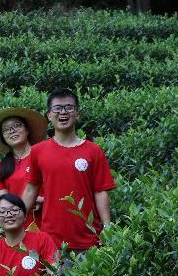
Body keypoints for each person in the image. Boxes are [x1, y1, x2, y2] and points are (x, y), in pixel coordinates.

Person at [21, 88, 116, 252]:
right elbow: (31, 190)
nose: (63, 112)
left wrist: (107, 227)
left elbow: (101, 192)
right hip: (51, 240)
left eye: (69, 107)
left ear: (77, 114)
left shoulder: (93, 151)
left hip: (89, 239)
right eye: (57, 108)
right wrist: (17, 221)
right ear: (49, 115)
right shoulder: (38, 151)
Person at [0, 106, 48, 229]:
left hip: (45, 224)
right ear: (3, 137)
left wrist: (43, 199)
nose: (12, 131)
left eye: (16, 126)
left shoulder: (43, 156)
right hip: (17, 229)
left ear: (27, 130)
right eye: (6, 129)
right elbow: (4, 202)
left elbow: (60, 190)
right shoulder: (2, 166)